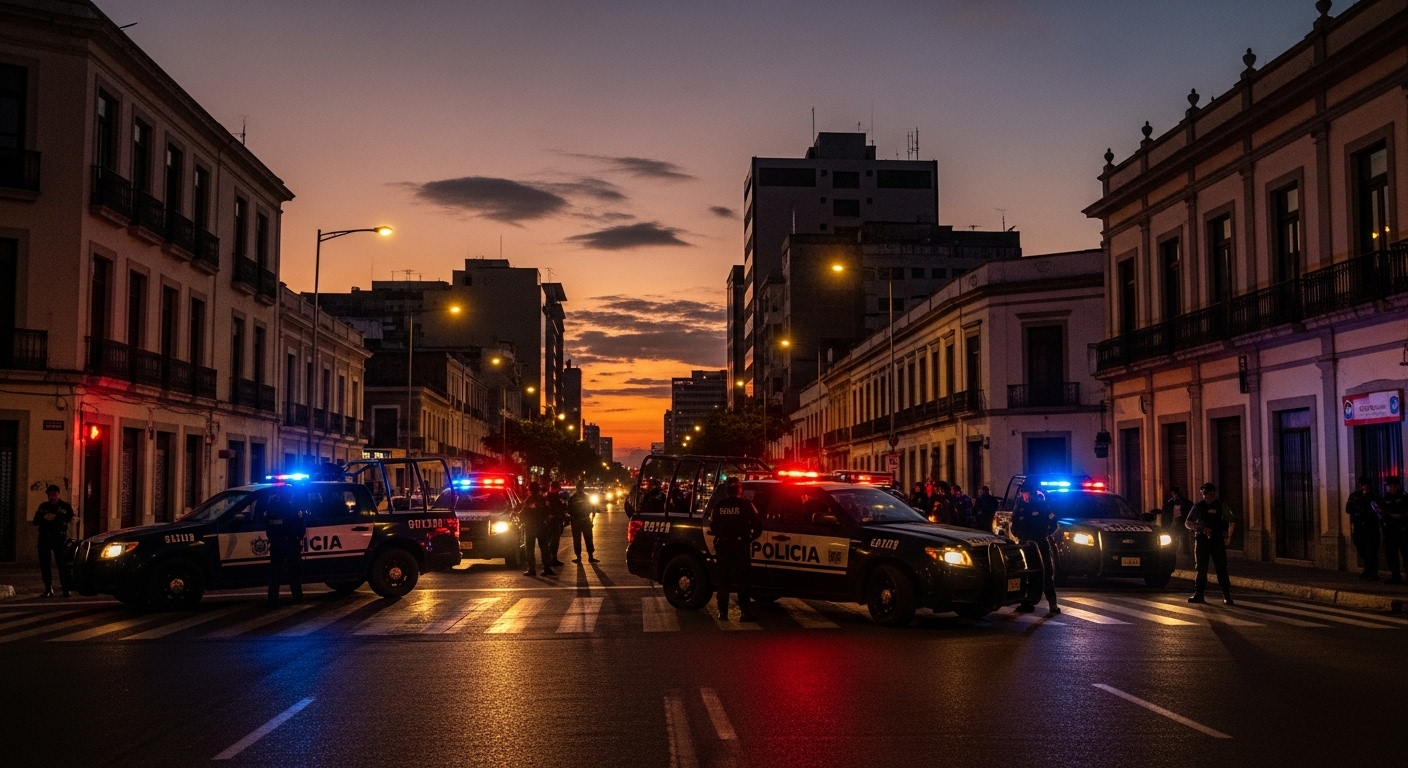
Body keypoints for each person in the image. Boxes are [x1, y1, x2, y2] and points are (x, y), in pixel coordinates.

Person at [709, 477, 762, 622]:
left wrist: (721, 535)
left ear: (727, 491)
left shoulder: (720, 505)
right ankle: (745, 613)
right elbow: (758, 524)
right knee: (743, 580)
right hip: (740, 546)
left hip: (723, 546)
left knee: (723, 580)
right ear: (739, 490)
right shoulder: (745, 505)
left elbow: (713, 525)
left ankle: (722, 613)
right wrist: (749, 538)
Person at [1011, 486, 1060, 615]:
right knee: (1027, 573)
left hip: (1040, 543)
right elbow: (1014, 523)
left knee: (1046, 572)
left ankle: (1053, 604)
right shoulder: (1020, 506)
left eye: (1027, 494)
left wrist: (1045, 534)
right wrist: (1017, 534)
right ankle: (1027, 602)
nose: (1025, 497)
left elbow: (1053, 523)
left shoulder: (1041, 505)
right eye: (1024, 494)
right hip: (1025, 545)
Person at [1186, 482, 1235, 604]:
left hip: (1217, 540)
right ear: (1203, 494)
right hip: (1202, 540)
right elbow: (1188, 523)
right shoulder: (1198, 506)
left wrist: (1228, 537)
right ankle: (1199, 594)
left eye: (1211, 493)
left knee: (1221, 567)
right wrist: (1202, 528)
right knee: (1201, 568)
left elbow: (1231, 521)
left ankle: (1227, 595)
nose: (1209, 496)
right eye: (1206, 493)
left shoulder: (1221, 506)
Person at [32, 484, 74, 598]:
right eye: (50, 495)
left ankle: (65, 588)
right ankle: (48, 588)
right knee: (44, 564)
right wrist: (44, 517)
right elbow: (35, 521)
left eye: (54, 494)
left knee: (62, 564)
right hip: (45, 538)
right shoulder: (43, 506)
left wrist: (56, 518)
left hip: (59, 538)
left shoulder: (65, 506)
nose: (52, 497)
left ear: (59, 494)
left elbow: (69, 518)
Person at [265, 492, 307, 606]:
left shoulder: (272, 511)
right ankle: (298, 598)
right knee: (295, 573)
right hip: (291, 545)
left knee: (275, 574)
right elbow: (300, 529)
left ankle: (272, 599)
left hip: (276, 545)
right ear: (290, 497)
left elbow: (268, 528)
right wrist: (297, 539)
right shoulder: (293, 510)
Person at [1345, 477, 1380, 580]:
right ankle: (1368, 568)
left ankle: (1373, 571)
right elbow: (1348, 509)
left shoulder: (1374, 495)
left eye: (1366, 485)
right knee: (1361, 547)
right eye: (1362, 485)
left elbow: (1377, 508)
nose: (1364, 487)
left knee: (1372, 549)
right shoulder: (1354, 496)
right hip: (1359, 526)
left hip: (1371, 526)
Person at [519, 483, 555, 577]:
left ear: (530, 490)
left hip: (530, 527)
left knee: (529, 549)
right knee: (544, 548)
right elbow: (548, 512)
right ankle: (547, 568)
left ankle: (532, 569)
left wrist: (522, 519)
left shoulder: (528, 500)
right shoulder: (543, 500)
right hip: (541, 526)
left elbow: (523, 514)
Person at [1378, 476, 1408, 585]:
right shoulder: (1385, 498)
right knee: (1391, 555)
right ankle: (1395, 576)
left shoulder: (1404, 497)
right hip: (1390, 531)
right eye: (1390, 486)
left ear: (1398, 486)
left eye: (1394, 486)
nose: (1392, 488)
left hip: (1403, 530)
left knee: (1406, 554)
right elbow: (1382, 513)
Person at [568, 482, 599, 564]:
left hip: (581, 520)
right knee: (581, 539)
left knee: (585, 539)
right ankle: (583, 556)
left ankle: (587, 556)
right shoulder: (576, 498)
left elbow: (592, 509)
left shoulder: (574, 498)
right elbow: (592, 509)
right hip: (580, 520)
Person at [1161, 486, 1194, 557]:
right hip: (1175, 522)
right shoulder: (1170, 503)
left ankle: (1184, 552)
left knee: (1183, 537)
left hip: (1181, 522)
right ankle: (1176, 551)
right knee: (1176, 537)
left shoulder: (1181, 502)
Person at [544, 481, 567, 567]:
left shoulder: (554, 497)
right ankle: (551, 559)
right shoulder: (551, 497)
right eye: (557, 488)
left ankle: (553, 558)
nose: (558, 490)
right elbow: (554, 510)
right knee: (553, 541)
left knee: (554, 541)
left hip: (556, 521)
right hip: (553, 522)